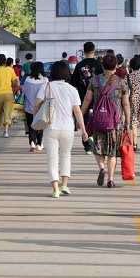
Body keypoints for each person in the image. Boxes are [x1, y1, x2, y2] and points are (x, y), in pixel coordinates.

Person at [35, 60, 88, 197]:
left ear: (52, 72)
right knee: (66, 156)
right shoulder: (72, 89)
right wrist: (83, 130)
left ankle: (55, 189)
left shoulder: (47, 86)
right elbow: (77, 111)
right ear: (66, 73)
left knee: (52, 158)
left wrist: (36, 120)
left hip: (50, 127)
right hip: (67, 128)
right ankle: (65, 185)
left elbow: (36, 104)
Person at [83, 53, 131, 187]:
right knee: (112, 152)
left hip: (98, 120)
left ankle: (101, 168)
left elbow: (87, 99)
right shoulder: (121, 82)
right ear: (116, 66)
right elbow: (125, 104)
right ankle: (110, 179)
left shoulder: (94, 80)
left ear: (103, 66)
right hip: (115, 123)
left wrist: (80, 115)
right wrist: (128, 122)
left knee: (99, 147)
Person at [22, 60, 47, 151]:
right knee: (40, 125)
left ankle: (32, 142)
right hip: (41, 107)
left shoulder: (28, 79)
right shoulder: (45, 80)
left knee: (31, 125)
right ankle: (39, 144)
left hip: (29, 107)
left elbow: (24, 91)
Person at [0, 54, 17, 138]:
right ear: (5, 60)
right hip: (8, 94)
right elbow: (14, 81)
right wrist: (13, 90)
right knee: (7, 113)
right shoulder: (10, 69)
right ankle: (6, 131)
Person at [127, 56, 140, 149]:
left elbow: (126, 90)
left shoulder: (129, 77)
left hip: (133, 100)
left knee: (133, 122)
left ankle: (134, 144)